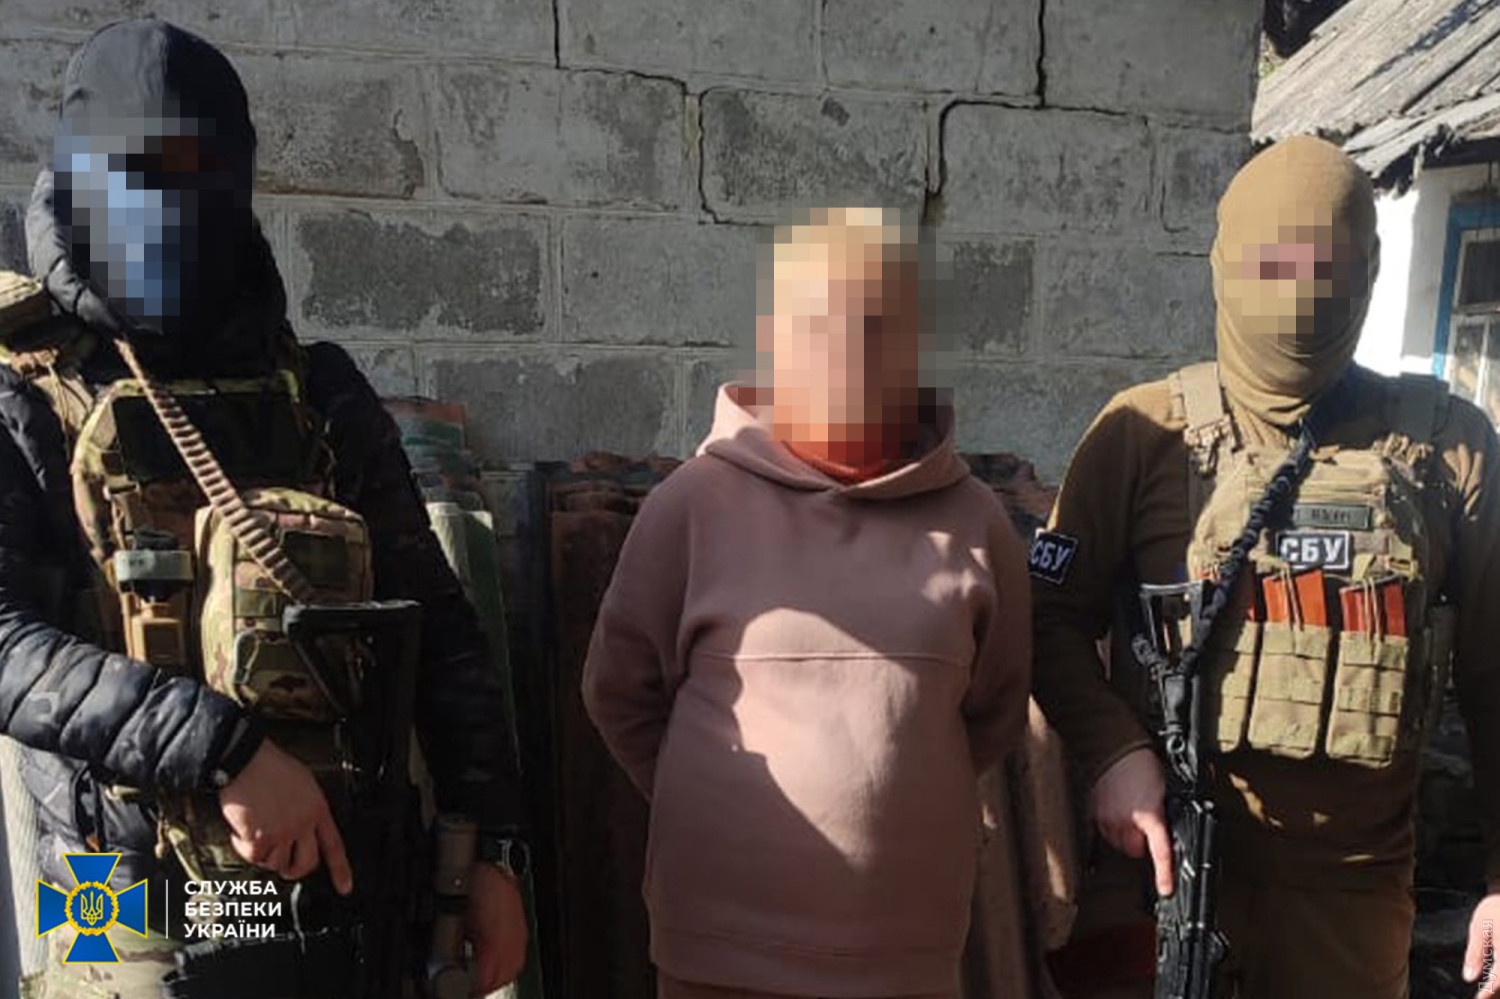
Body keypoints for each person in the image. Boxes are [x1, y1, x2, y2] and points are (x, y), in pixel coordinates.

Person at [0, 18, 527, 996]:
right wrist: (225, 752)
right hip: (118, 896)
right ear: (75, 176)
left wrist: (492, 848)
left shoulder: (317, 390)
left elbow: (439, 629)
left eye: (195, 173)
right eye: (130, 173)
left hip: (346, 894)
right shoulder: (25, 390)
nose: (163, 209)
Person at [1030, 134, 1500, 999]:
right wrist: (1113, 750)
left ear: (1367, 270)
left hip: (1353, 904)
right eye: (1273, 265)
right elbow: (1045, 616)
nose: (1298, 292)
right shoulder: (1143, 433)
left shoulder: (1450, 448)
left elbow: (1494, 672)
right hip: (1162, 871)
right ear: (1224, 262)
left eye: (1324, 267)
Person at [581, 206, 1032, 999]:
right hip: (719, 960)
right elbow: (619, 692)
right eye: (819, 325)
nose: (847, 353)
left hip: (904, 962)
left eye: (877, 328)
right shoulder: (693, 505)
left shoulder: (974, 522)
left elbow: (993, 712)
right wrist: (712, 798)